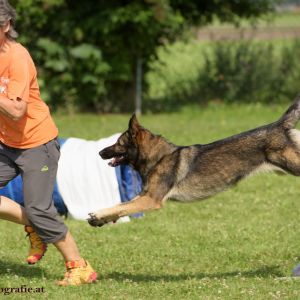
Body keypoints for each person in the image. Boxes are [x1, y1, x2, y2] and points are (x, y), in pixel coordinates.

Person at [0, 0, 97, 286]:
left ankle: (79, 266)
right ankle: (33, 225)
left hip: (36, 144)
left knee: (41, 209)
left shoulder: (17, 57)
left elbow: (17, 110)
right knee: (37, 216)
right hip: (6, 143)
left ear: (5, 26)